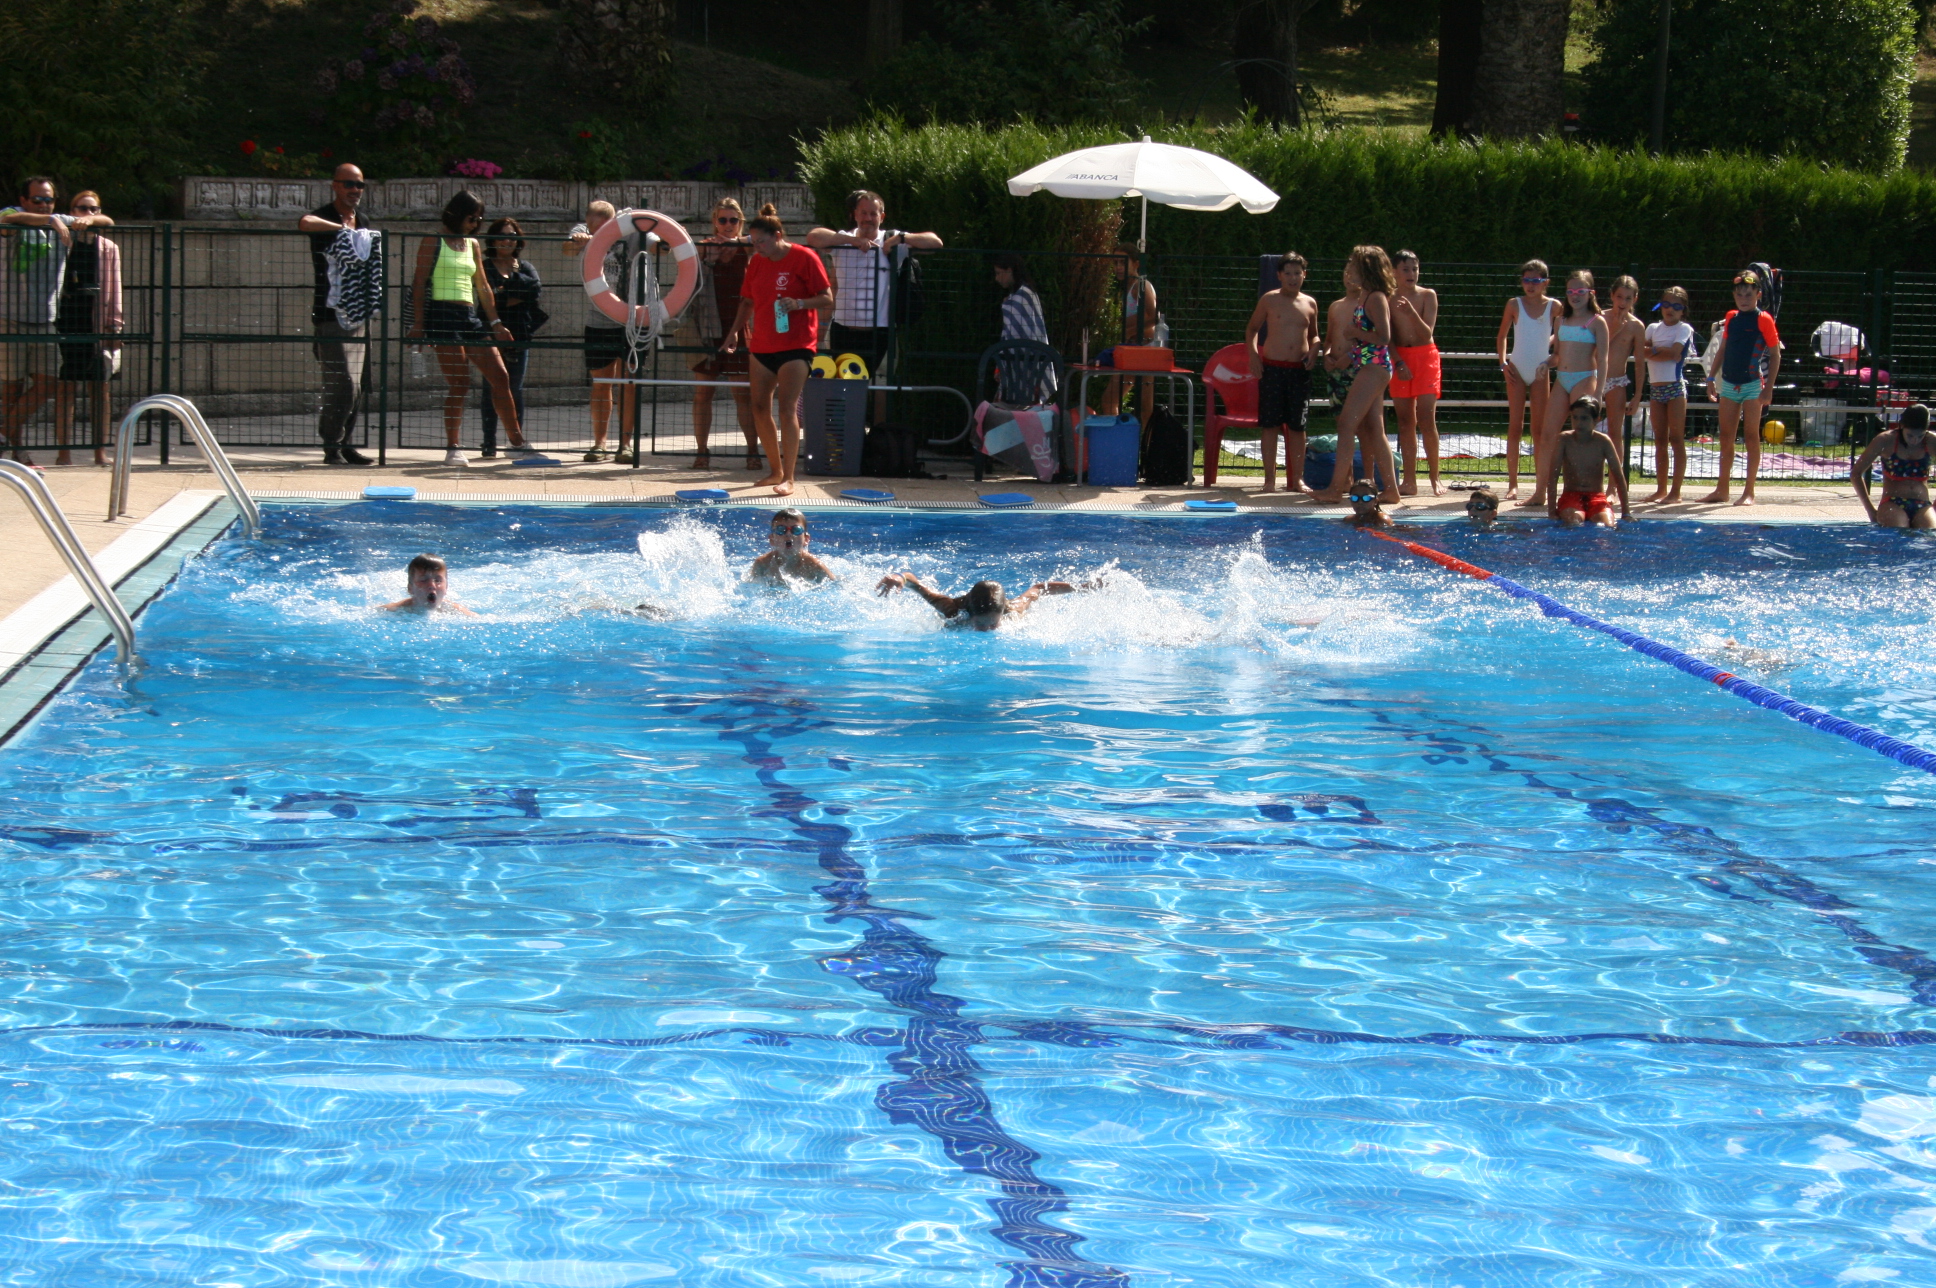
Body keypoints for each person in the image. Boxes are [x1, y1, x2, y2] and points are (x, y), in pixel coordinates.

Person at [405, 191, 534, 467]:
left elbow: (483, 287)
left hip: (468, 315)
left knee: (500, 376)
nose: (475, 224)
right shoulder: (433, 241)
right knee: (460, 383)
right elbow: (418, 284)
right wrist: (418, 324)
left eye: (479, 219)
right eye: (471, 218)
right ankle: (453, 447)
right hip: (441, 315)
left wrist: (497, 323)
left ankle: (517, 442)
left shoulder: (473, 244)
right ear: (457, 214)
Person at [721, 205, 833, 497]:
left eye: (761, 241)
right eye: (754, 242)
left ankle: (791, 477)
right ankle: (775, 470)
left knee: (786, 408)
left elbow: (826, 298)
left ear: (778, 235)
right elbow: (747, 302)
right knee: (758, 406)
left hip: (797, 345)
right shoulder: (757, 262)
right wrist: (734, 333)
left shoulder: (804, 257)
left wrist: (799, 303)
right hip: (762, 345)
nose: (757, 247)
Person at [2, 177, 112, 470]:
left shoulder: (62, 220)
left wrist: (87, 222)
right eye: (37, 199)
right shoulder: (12, 217)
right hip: (9, 318)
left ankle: (2, 438)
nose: (44, 204)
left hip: (45, 320)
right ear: (24, 200)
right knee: (10, 389)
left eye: (48, 200)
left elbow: (108, 220)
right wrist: (49, 219)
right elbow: (9, 219)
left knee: (48, 383)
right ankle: (17, 455)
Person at [805, 190, 943, 417]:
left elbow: (935, 242)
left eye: (873, 213)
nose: (868, 218)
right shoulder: (842, 239)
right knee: (844, 391)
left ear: (882, 216)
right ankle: (848, 443)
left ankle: (876, 444)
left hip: (880, 331)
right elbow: (814, 236)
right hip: (843, 329)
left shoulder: (892, 238)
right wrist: (853, 241)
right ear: (855, 215)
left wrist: (900, 240)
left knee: (881, 390)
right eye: (863, 213)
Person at [296, 163, 378, 466]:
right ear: (335, 186)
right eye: (348, 184)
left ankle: (344, 444)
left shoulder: (364, 220)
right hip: (329, 314)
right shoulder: (326, 216)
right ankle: (331, 442)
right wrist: (342, 229)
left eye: (359, 185)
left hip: (358, 312)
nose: (354, 190)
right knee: (341, 382)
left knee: (357, 384)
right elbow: (304, 222)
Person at [1317, 246, 1401, 507]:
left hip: (1374, 368)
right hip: (1368, 366)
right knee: (1375, 430)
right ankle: (1391, 490)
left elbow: (1384, 337)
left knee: (1345, 424)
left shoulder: (1375, 298)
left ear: (1366, 267)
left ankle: (1334, 488)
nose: (1349, 268)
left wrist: (1355, 332)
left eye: (1353, 263)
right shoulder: (1367, 295)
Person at [1526, 270, 1609, 510]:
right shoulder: (1560, 320)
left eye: (1580, 291)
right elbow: (1557, 355)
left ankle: (1585, 492)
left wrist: (1599, 392)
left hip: (1585, 379)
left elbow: (1603, 360)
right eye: (1570, 291)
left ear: (1590, 293)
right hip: (1563, 380)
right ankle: (1541, 491)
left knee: (1581, 438)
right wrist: (1545, 364)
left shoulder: (1597, 321)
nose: (1575, 295)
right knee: (1546, 434)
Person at [563, 200, 638, 462]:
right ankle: (600, 443)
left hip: (631, 319)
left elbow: (657, 244)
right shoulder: (582, 230)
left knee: (629, 383)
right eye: (593, 221)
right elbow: (568, 248)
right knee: (601, 383)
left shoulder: (627, 234)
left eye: (603, 223)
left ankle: (626, 444)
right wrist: (579, 240)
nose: (598, 227)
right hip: (599, 320)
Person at [1701, 268, 1782, 506]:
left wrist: (1769, 389)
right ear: (1734, 296)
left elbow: (1775, 355)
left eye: (1749, 294)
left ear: (1758, 294)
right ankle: (1722, 489)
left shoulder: (1763, 319)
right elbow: (1723, 349)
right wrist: (1710, 379)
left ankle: (1749, 492)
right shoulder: (1731, 318)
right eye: (1740, 294)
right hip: (1728, 384)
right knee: (1725, 437)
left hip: (1752, 386)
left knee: (1750, 436)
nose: (1744, 298)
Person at [52, 191, 120, 467]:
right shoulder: (61, 240)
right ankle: (63, 453)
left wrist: (115, 327)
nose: (88, 214)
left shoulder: (108, 247)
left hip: (96, 321)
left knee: (100, 389)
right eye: (82, 208)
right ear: (72, 211)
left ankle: (100, 451)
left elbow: (115, 290)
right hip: (66, 319)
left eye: (93, 209)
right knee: (66, 388)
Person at [1243, 251, 1321, 494]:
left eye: (1297, 273)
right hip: (1273, 369)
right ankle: (1269, 480)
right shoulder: (1269, 299)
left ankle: (1296, 479)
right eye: (1288, 273)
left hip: (1298, 371)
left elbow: (1314, 335)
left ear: (1304, 275)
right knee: (1270, 425)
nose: (1293, 278)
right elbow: (1252, 329)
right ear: (1279, 275)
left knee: (1298, 426)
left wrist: (1316, 349)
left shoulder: (1309, 303)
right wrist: (1254, 356)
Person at [690, 198, 758, 471]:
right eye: (722, 220)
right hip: (708, 328)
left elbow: (772, 234)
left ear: (740, 223)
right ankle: (701, 451)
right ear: (714, 222)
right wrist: (710, 253)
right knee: (702, 393)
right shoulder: (705, 246)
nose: (728, 225)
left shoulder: (747, 246)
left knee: (743, 395)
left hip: (738, 327)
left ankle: (753, 451)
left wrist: (739, 241)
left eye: (733, 220)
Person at [1494, 260, 1558, 500]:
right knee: (1515, 427)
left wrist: (1550, 348)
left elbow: (1565, 331)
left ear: (1545, 283)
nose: (1530, 285)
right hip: (1517, 369)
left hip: (1541, 371)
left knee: (1539, 431)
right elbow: (1502, 337)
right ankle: (1513, 484)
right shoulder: (1514, 304)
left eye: (1535, 280)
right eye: (1526, 280)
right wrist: (1503, 364)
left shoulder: (1555, 306)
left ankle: (1540, 484)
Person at [481, 217, 544, 460]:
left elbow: (535, 291)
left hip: (519, 332)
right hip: (490, 331)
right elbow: (488, 297)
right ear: (493, 240)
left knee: (514, 388)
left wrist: (503, 292)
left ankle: (515, 439)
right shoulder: (485, 266)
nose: (506, 240)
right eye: (501, 236)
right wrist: (512, 295)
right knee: (492, 387)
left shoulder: (525, 266)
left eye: (511, 235)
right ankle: (489, 441)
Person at [1389, 250, 1442, 497]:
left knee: (1426, 418)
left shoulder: (1427, 296)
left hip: (1425, 356)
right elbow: (1386, 338)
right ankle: (1409, 479)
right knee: (1405, 421)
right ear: (1394, 272)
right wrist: (1399, 362)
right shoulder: (1387, 298)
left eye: (1415, 269)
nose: (1411, 274)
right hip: (1400, 358)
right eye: (1405, 269)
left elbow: (1426, 334)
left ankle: (1435, 477)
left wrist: (1411, 313)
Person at [1640, 286, 1699, 503]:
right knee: (1660, 441)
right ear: (1660, 306)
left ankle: (1676, 492)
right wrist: (1657, 352)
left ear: (1683, 310)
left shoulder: (1684, 329)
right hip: (1656, 389)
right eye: (1666, 304)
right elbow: (1640, 352)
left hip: (1675, 389)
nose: (1670, 310)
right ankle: (1661, 489)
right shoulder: (1652, 328)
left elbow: (1675, 354)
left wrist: (1653, 351)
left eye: (1676, 306)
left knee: (1676, 439)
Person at [875, 571, 1084, 630]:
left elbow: (1040, 588)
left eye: (993, 623)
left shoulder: (1014, 609)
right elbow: (915, 583)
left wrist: (1084, 587)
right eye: (982, 624)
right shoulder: (951, 611)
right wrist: (899, 578)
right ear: (970, 615)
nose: (988, 629)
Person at [1542, 395, 1631, 528]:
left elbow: (1619, 476)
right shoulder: (1564, 440)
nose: (1578, 423)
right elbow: (1553, 476)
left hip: (1597, 497)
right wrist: (1551, 512)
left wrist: (1626, 513)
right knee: (1574, 523)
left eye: (1584, 418)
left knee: (1608, 526)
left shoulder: (1603, 442)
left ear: (1596, 420)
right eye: (1575, 417)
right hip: (1571, 497)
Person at [1099, 240, 1159, 426]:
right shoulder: (1130, 287)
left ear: (1136, 264)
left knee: (1110, 401)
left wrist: (1130, 331)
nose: (1118, 267)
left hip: (1143, 351)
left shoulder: (1141, 285)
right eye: (1115, 263)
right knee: (1143, 409)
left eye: (1123, 263)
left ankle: (1123, 445)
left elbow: (1154, 316)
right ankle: (1133, 446)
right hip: (1138, 351)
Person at [1853, 402, 1934, 530]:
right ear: (1901, 426)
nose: (1915, 440)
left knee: (1929, 534)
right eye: (1910, 435)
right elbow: (1856, 474)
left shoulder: (1931, 441)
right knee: (1898, 533)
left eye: (1920, 436)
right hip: (1893, 502)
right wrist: (1871, 510)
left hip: (1922, 504)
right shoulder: (1885, 440)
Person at [993, 253, 1057, 405]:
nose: (996, 278)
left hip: (1022, 362)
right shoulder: (1027, 294)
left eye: (998, 273)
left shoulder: (1019, 298)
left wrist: (1001, 365)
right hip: (1032, 361)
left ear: (1009, 270)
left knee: (1015, 407)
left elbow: (1013, 338)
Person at [1601, 275, 1645, 463]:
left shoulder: (1636, 326)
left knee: (1614, 433)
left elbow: (1640, 364)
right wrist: (1616, 328)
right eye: (1619, 297)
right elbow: (1596, 350)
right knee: (1582, 427)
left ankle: (1613, 485)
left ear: (1635, 299)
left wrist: (1637, 396)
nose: (1623, 302)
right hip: (1593, 377)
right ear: (1612, 296)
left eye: (1628, 298)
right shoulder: (1600, 317)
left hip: (1616, 380)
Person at [747, 507, 837, 582]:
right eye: (781, 530)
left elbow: (835, 585)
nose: (788, 534)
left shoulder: (814, 566)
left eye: (796, 530)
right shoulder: (762, 564)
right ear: (772, 539)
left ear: (806, 539)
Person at [380, 553, 477, 614]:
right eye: (423, 580)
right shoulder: (399, 609)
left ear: (446, 587)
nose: (431, 586)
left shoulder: (454, 610)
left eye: (438, 580)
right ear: (410, 588)